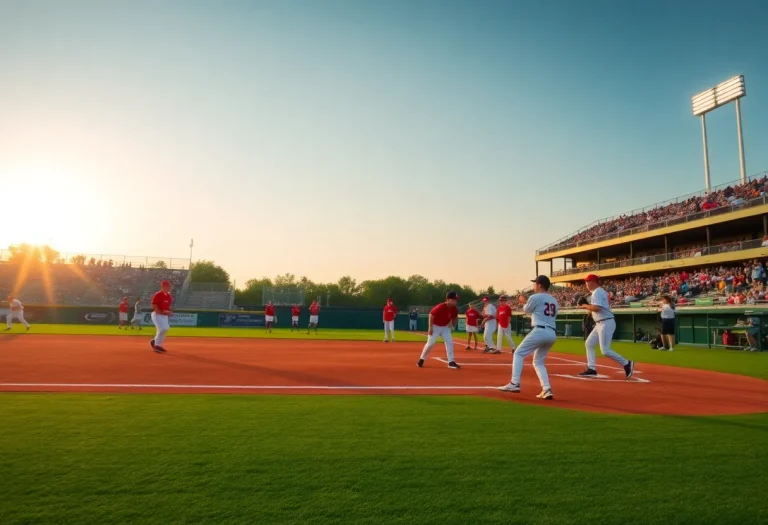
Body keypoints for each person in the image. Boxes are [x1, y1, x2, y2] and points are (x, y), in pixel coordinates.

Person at [498, 275, 558, 400]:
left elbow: (527, 310)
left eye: (535, 283)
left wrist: (523, 300)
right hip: (551, 333)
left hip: (540, 330)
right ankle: (546, 389)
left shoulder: (535, 297)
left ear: (540, 285)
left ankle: (515, 383)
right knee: (538, 362)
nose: (534, 285)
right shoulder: (554, 300)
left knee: (518, 353)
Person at [578, 274, 634, 379]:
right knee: (589, 343)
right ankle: (592, 369)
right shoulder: (598, 292)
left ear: (593, 282)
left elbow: (597, 308)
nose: (586, 283)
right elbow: (596, 310)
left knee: (605, 350)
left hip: (605, 323)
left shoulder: (597, 292)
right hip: (601, 323)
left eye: (587, 281)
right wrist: (588, 307)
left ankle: (626, 363)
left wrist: (585, 306)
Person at [417, 291, 461, 369]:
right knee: (430, 343)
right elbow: (431, 315)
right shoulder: (440, 307)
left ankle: (451, 361)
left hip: (445, 327)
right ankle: (422, 359)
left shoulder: (454, 309)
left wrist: (453, 325)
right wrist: (430, 327)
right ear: (448, 299)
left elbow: (454, 317)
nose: (456, 301)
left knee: (450, 342)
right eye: (454, 299)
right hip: (435, 326)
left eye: (456, 300)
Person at [150, 280, 173, 353]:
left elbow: (166, 307)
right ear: (162, 287)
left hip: (164, 316)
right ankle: (156, 345)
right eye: (167, 286)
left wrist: (168, 312)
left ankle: (157, 344)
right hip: (157, 315)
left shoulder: (169, 296)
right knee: (162, 329)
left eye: (169, 286)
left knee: (165, 329)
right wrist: (160, 311)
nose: (169, 287)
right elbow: (154, 304)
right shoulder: (158, 294)